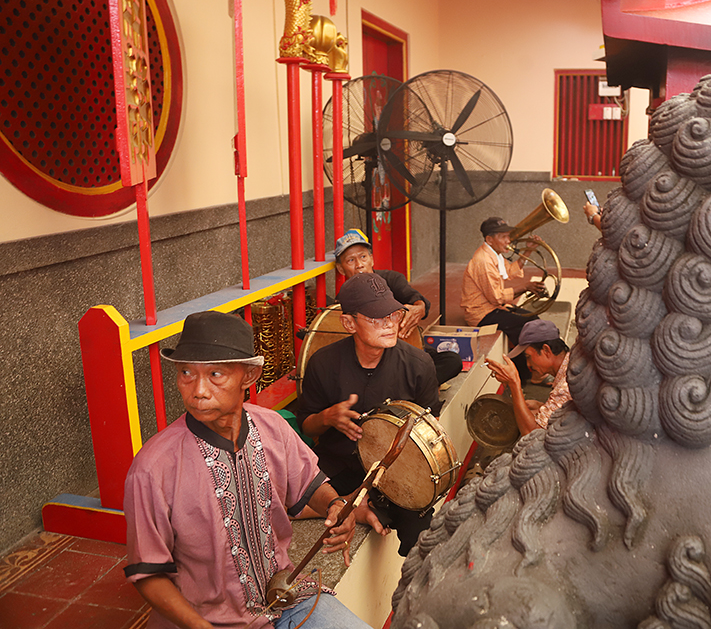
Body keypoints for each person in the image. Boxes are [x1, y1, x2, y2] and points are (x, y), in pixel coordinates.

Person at [123, 310, 376, 629]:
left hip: (286, 597)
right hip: (206, 619)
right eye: (186, 373)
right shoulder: (152, 468)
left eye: (215, 375)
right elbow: (148, 575)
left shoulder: (273, 427)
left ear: (249, 376)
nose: (198, 390)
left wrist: (335, 505)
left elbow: (311, 485)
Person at [297, 272, 440, 555]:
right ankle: (351, 503)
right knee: (287, 499)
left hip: (393, 475)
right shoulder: (323, 364)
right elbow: (307, 426)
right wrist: (327, 418)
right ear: (349, 323)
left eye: (393, 314)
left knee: (425, 540)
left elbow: (428, 431)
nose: (389, 324)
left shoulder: (418, 365)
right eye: (376, 318)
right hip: (337, 468)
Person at [333, 229, 462, 385]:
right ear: (340, 269)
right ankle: (410, 387)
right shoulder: (344, 298)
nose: (359, 265)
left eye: (363, 257)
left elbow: (418, 301)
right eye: (350, 260)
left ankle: (410, 387)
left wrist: (419, 309)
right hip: (373, 358)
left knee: (452, 361)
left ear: (372, 259)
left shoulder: (392, 279)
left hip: (406, 348)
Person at [460, 216, 545, 382]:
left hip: (493, 308)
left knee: (531, 321)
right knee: (528, 325)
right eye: (503, 237)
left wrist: (528, 251)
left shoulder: (494, 254)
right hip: (481, 314)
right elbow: (497, 298)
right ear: (489, 239)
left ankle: (525, 374)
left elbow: (511, 270)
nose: (508, 241)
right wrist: (526, 287)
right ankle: (527, 374)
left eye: (508, 236)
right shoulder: (483, 261)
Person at [484, 319, 571, 435]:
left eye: (528, 357)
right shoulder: (571, 361)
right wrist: (542, 406)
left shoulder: (567, 383)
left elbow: (532, 434)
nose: (528, 364)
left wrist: (514, 383)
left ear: (546, 350)